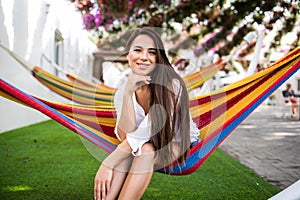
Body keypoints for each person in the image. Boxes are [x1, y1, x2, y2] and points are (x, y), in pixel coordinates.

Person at [94, 27, 200, 200]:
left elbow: (145, 132)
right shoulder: (122, 91)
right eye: (137, 50)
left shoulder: (172, 85)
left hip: (174, 139)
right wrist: (129, 92)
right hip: (138, 141)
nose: (144, 57)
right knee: (135, 150)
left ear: (158, 58)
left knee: (145, 149)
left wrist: (107, 164)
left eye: (151, 52)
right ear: (128, 55)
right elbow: (124, 135)